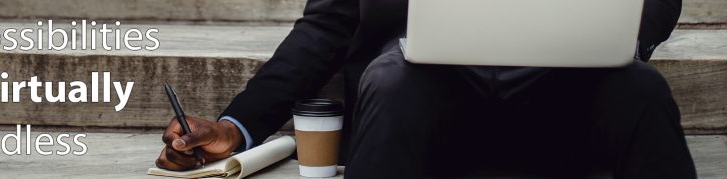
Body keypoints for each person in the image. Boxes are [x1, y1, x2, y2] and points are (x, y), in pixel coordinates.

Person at [155, 0, 696, 178]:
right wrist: (236, 126)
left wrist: (609, 38)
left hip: (564, 96)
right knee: (390, 80)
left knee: (640, 89)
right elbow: (326, 26)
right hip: (425, 100)